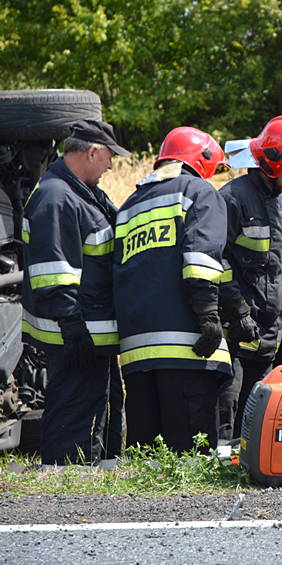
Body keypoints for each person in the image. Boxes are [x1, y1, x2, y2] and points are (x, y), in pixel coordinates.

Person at [113, 126, 230, 455]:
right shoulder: (199, 193)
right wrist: (209, 315)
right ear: (202, 160)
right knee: (189, 455)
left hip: (136, 352)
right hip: (186, 348)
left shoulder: (129, 206)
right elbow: (200, 260)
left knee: (146, 457)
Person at [21, 119, 130, 466]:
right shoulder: (56, 198)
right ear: (93, 151)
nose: (112, 165)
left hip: (88, 331)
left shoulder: (80, 194)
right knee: (74, 411)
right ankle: (63, 476)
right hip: (72, 334)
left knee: (95, 407)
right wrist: (72, 325)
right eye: (110, 156)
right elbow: (51, 271)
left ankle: (93, 470)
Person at [217, 116, 282, 442]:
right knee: (227, 404)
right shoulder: (232, 198)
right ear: (274, 165)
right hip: (234, 328)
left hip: (265, 328)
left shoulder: (278, 202)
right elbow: (214, 258)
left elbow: (274, 265)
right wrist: (237, 309)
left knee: (256, 410)